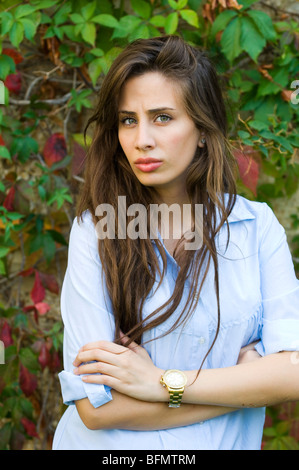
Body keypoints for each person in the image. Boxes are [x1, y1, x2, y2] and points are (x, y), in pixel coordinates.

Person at [52, 35, 299, 451]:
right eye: (128, 120)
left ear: (203, 129)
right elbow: (95, 408)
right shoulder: (95, 232)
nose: (141, 139)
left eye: (162, 117)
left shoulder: (257, 227)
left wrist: (160, 383)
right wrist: (245, 387)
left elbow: (291, 374)